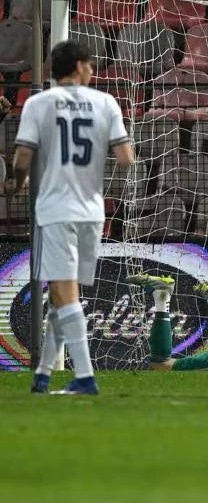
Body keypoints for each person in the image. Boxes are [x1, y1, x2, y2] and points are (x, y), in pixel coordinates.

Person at [16, 41, 135, 395]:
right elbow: (126, 157)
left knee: (63, 291)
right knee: (62, 292)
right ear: (80, 66)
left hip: (56, 209)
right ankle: (42, 374)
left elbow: (23, 155)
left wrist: (16, 180)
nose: (93, 71)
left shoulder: (38, 103)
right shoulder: (106, 102)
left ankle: (84, 377)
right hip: (92, 211)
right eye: (91, 65)